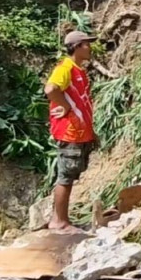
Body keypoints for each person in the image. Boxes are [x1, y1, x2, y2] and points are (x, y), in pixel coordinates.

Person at [43, 30, 98, 231]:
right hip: (69, 132)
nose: (90, 47)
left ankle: (61, 220)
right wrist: (64, 106)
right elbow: (50, 89)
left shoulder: (78, 70)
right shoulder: (65, 67)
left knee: (70, 176)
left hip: (79, 132)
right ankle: (59, 222)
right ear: (76, 47)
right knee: (65, 177)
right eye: (86, 44)